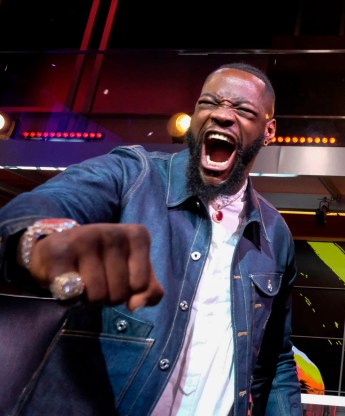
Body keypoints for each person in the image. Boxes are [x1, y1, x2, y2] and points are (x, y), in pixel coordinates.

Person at [0, 62, 302, 415]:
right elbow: (46, 203)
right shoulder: (134, 174)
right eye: (209, 103)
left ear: (269, 131)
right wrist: (43, 241)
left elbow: (276, 359)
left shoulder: (274, 233)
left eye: (243, 110)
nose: (221, 115)